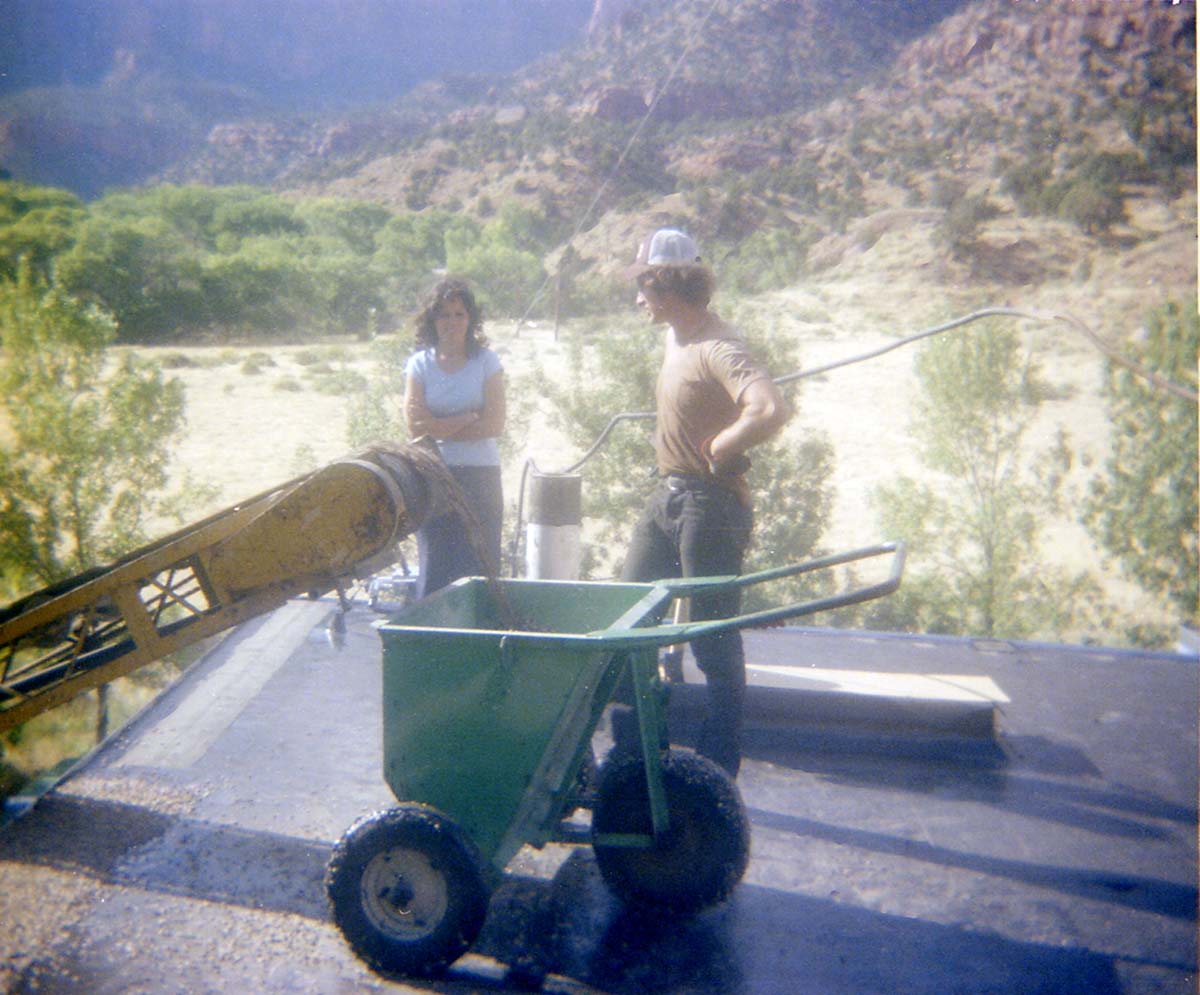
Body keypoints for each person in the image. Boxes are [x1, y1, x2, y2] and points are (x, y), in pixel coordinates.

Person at [619, 228, 789, 776]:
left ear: (668, 285)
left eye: (644, 286)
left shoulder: (718, 346)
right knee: (629, 619)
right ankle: (637, 749)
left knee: (713, 642)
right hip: (667, 497)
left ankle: (718, 768)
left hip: (709, 505)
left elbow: (767, 409)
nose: (638, 299)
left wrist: (722, 444)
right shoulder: (675, 335)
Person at [404, 276, 506, 598]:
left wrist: (439, 426)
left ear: (470, 319)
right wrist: (465, 419)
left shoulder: (486, 362)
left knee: (480, 565)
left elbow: (494, 425)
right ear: (432, 320)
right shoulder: (419, 364)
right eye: (444, 315)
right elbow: (415, 426)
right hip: (433, 477)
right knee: (435, 565)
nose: (452, 322)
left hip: (481, 477)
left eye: (459, 314)